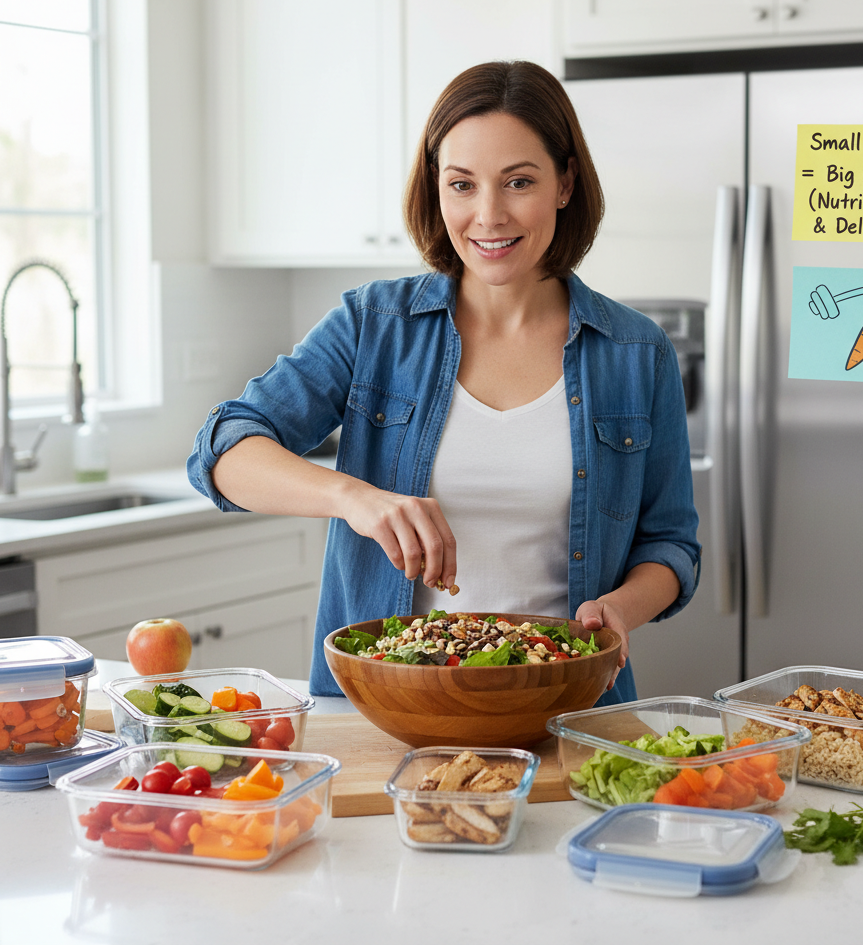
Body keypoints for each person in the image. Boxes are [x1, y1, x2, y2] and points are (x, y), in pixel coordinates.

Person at [187, 60, 700, 705]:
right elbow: (222, 448)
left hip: (566, 704)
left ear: (565, 183)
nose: (488, 216)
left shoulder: (634, 352)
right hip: (386, 711)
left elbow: (670, 546)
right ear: (435, 188)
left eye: (518, 182)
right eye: (462, 185)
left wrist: (621, 610)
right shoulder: (374, 325)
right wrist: (355, 498)